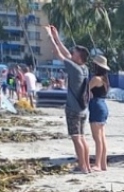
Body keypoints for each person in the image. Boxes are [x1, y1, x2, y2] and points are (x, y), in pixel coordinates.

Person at [45, 24, 91, 174]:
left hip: (73, 109)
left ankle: (82, 166)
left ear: (78, 57)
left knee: (76, 137)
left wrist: (50, 37)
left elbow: (59, 54)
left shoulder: (75, 69)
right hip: (83, 109)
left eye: (74, 53)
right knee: (82, 137)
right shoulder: (84, 68)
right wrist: (57, 37)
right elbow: (66, 54)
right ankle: (87, 166)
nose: (72, 53)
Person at [88, 55, 111, 172]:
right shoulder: (105, 79)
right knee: (102, 137)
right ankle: (103, 164)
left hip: (96, 106)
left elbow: (85, 90)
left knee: (97, 138)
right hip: (103, 106)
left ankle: (97, 164)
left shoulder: (96, 79)